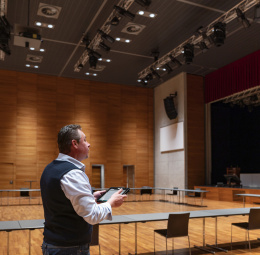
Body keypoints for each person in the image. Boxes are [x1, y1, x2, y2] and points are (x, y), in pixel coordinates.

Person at [40, 124, 127, 255]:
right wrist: (110, 203)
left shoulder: (50, 168)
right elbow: (92, 215)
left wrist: (91, 197)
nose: (89, 144)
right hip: (70, 248)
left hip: (54, 245)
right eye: (85, 140)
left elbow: (64, 202)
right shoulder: (73, 174)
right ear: (74, 144)